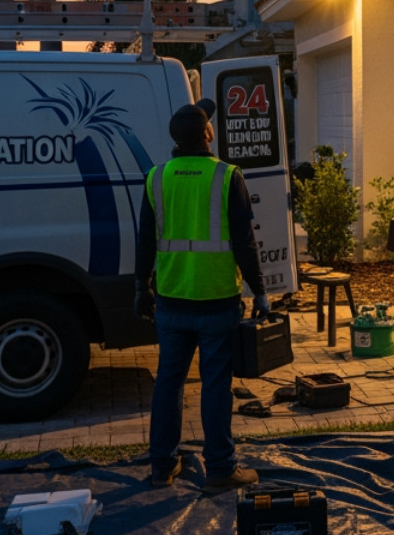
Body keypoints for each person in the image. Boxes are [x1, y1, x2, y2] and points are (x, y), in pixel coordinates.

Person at [135, 98, 269, 493]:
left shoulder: (156, 177)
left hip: (172, 300)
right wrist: (260, 290)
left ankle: (161, 467)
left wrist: (141, 286)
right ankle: (220, 469)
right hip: (216, 302)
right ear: (207, 134)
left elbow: (145, 239)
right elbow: (245, 242)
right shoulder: (227, 176)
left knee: (168, 383)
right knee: (215, 386)